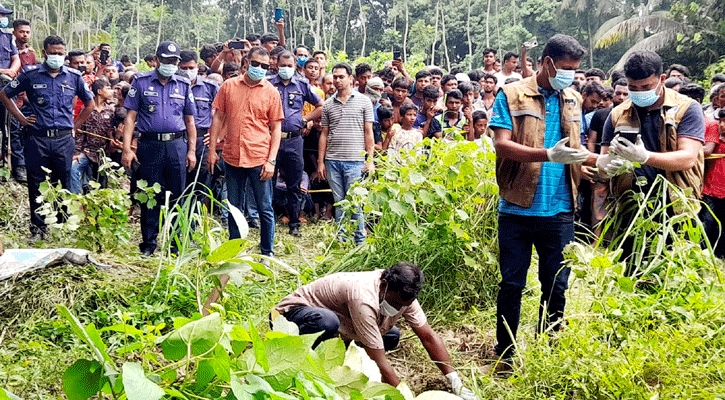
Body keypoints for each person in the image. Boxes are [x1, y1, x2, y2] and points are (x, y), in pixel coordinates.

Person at [488, 34, 591, 370]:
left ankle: (548, 352)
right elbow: (501, 145)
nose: (571, 76)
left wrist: (601, 162)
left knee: (557, 285)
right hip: (517, 208)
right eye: (566, 68)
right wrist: (546, 154)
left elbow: (575, 150)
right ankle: (505, 354)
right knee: (512, 284)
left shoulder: (573, 99)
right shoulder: (511, 94)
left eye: (575, 70)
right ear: (548, 63)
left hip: (560, 210)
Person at [272, 262, 479, 400]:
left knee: (392, 336)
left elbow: (428, 336)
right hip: (292, 315)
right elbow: (381, 363)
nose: (398, 309)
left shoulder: (404, 295)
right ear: (384, 285)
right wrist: (403, 395)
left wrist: (456, 383)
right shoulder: (363, 296)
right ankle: (305, 359)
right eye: (395, 303)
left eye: (402, 306)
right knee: (327, 322)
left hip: (344, 319)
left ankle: (341, 345)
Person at [596, 50, 704, 269]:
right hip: (631, 206)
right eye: (632, 88)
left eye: (645, 87)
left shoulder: (686, 109)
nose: (638, 93)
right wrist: (605, 167)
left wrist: (645, 157)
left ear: (662, 80)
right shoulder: (617, 114)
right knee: (630, 271)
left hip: (675, 206)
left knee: (673, 273)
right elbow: (604, 158)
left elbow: (688, 157)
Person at [0, 35, 95, 241]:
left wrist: (75, 127)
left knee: (64, 182)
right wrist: (22, 119)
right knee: (37, 183)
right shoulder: (30, 74)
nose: (57, 57)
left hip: (63, 139)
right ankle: (39, 229)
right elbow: (5, 94)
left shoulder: (73, 76)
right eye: (53, 53)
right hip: (37, 138)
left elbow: (90, 104)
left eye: (60, 54)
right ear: (44, 53)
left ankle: (61, 226)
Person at [121, 41, 198, 257]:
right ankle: (149, 244)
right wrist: (127, 149)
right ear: (157, 59)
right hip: (149, 145)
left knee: (177, 195)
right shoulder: (141, 82)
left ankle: (175, 244)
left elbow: (190, 121)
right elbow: (130, 118)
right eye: (166, 60)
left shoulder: (183, 84)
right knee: (149, 196)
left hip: (176, 146)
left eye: (174, 61)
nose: (170, 64)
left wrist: (191, 150)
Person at [207, 46, 283, 256]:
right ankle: (234, 250)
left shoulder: (271, 92)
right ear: (247, 62)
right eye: (256, 64)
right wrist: (212, 150)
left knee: (264, 208)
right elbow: (218, 118)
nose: (259, 68)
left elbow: (276, 128)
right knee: (234, 207)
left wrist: (272, 161)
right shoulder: (228, 86)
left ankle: (267, 253)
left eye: (265, 66)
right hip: (231, 156)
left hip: (259, 157)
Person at [317, 62, 375, 245]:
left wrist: (370, 160)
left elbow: (368, 132)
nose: (337, 80)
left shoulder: (364, 101)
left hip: (355, 161)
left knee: (356, 202)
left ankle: (359, 241)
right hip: (333, 160)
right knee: (339, 202)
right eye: (335, 77)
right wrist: (321, 162)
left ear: (351, 79)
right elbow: (324, 134)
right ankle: (341, 239)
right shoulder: (327, 105)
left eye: (341, 76)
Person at [268, 50, 323, 237]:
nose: (285, 69)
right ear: (276, 65)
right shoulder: (267, 84)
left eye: (289, 66)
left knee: (294, 184)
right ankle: (268, 221)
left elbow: (320, 105)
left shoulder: (302, 84)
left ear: (295, 67)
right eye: (282, 65)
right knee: (267, 181)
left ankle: (294, 223)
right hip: (269, 140)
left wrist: (305, 119)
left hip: (294, 140)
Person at [178, 49, 219, 205]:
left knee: (198, 180)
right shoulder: (173, 84)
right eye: (184, 68)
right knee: (178, 180)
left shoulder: (210, 86)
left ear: (198, 66)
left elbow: (222, 114)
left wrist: (218, 137)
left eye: (191, 68)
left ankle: (193, 218)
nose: (188, 72)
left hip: (203, 139)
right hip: (179, 138)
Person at [9, 19, 34, 183]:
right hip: (11, 98)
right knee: (13, 132)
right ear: (14, 33)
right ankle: (18, 167)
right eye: (21, 32)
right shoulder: (9, 51)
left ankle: (28, 165)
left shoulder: (31, 54)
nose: (24, 35)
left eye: (27, 32)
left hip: (26, 100)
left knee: (26, 131)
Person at [700, 108, 725, 258]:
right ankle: (704, 253)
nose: (722, 125)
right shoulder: (714, 139)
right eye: (720, 121)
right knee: (706, 222)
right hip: (709, 188)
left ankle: (720, 255)